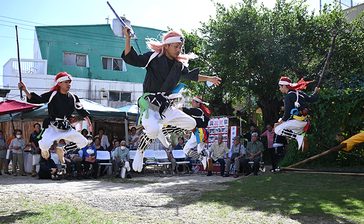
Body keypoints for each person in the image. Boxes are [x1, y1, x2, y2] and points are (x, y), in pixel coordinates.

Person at [121, 27, 221, 172]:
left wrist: (209, 78)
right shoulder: (153, 57)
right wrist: (127, 38)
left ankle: (163, 130)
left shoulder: (178, 65)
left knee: (191, 122)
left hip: (165, 106)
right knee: (153, 130)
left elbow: (191, 76)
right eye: (176, 46)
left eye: (180, 47)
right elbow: (133, 58)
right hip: (149, 105)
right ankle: (140, 151)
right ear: (166, 46)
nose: (179, 49)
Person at [18, 72, 92, 162]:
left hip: (66, 127)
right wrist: (25, 90)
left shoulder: (73, 97)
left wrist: (88, 121)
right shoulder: (53, 95)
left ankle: (63, 150)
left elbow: (80, 109)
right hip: (52, 127)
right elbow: (38, 99)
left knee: (84, 142)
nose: (69, 84)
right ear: (60, 83)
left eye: (69, 82)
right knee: (44, 145)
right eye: (66, 82)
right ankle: (45, 151)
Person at [274, 76, 320, 150]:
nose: (279, 89)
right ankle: (300, 138)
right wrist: (316, 92)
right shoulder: (298, 92)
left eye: (280, 87)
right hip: (305, 121)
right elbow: (312, 99)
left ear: (284, 86)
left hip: (297, 122)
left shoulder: (288, 96)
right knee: (294, 131)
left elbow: (287, 114)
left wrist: (280, 122)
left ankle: (299, 137)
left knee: (277, 129)